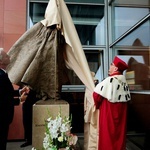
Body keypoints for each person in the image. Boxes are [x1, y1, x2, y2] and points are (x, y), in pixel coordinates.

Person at [93, 56, 131, 150]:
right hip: (121, 118)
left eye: (111, 65)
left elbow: (96, 96)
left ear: (116, 68)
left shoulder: (108, 81)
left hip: (108, 117)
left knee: (107, 139)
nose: (109, 67)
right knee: (119, 137)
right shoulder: (125, 83)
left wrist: (97, 106)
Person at [0, 48, 29, 150]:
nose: (9, 57)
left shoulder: (3, 73)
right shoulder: (1, 76)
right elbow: (2, 100)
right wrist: (19, 100)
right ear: (1, 61)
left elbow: (5, 93)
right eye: (6, 56)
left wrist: (20, 92)